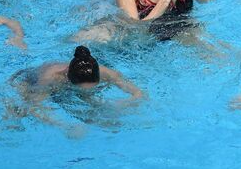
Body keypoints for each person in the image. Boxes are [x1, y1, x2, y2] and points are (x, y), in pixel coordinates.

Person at [7, 45, 144, 137]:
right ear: (68, 77)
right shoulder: (50, 78)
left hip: (68, 89)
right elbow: (35, 107)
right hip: (29, 81)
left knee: (107, 118)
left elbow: (138, 93)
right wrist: (64, 126)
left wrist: (125, 103)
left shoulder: (105, 72)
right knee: (18, 112)